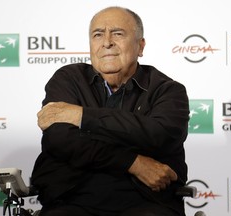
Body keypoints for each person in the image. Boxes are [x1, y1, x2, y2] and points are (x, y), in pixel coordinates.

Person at [31, 6, 189, 216]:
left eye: (118, 33)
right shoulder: (68, 79)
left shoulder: (168, 90)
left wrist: (82, 116)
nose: (106, 42)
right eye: (98, 35)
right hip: (71, 198)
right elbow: (61, 140)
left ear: (140, 46)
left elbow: (158, 134)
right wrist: (133, 162)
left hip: (146, 201)